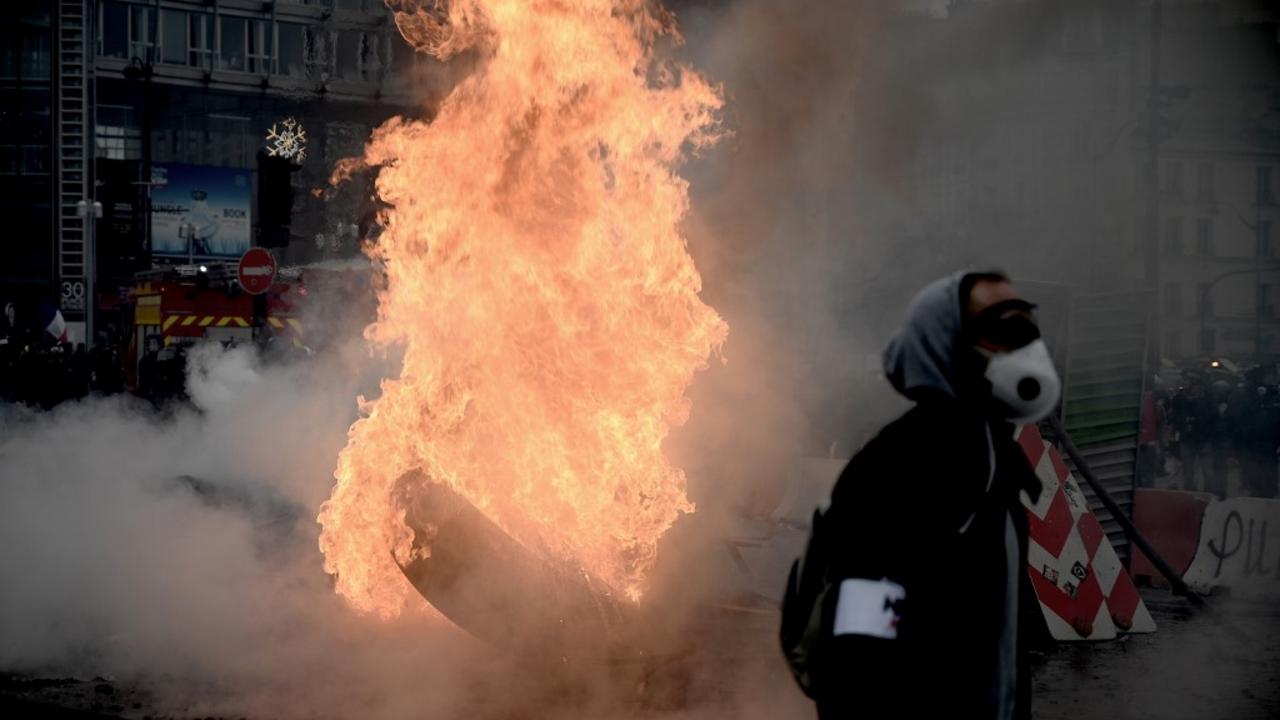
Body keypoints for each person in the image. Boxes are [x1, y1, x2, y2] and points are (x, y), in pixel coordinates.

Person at [782, 271, 1056, 720]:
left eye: (1024, 333)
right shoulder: (902, 466)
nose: (1023, 351)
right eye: (999, 333)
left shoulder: (991, 455)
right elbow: (859, 648)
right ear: (944, 348)